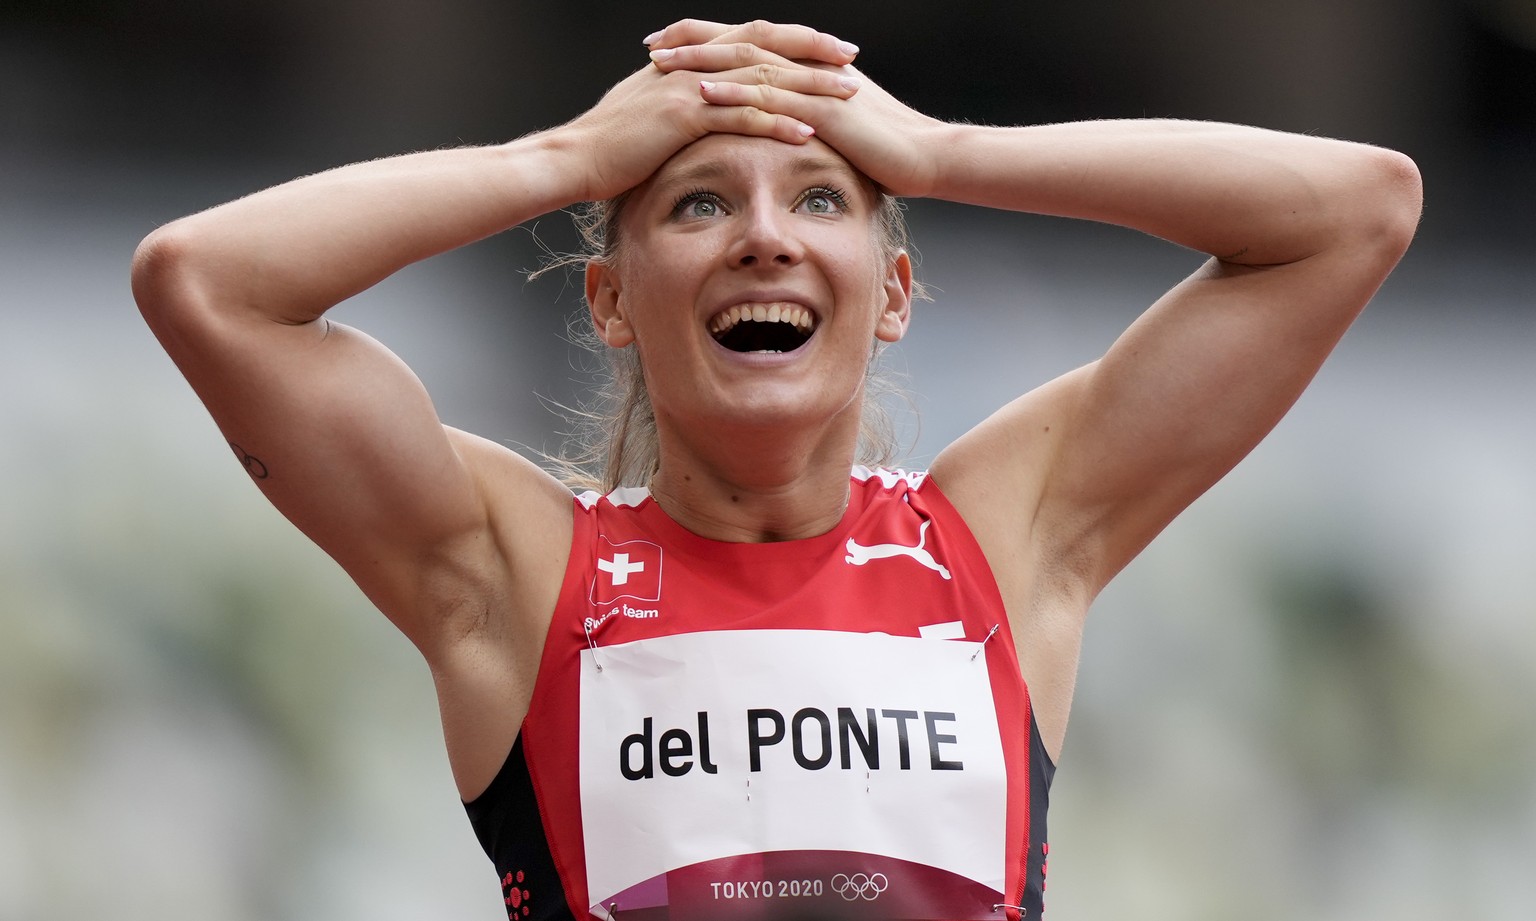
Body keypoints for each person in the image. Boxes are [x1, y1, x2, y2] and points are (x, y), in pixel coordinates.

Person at [131, 18, 1422, 921]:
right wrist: (562, 161)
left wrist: (947, 154)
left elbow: (1358, 210)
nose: (762, 237)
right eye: (698, 203)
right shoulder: (516, 572)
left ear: (897, 289)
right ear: (612, 300)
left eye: (818, 199)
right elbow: (204, 285)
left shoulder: (1005, 534)